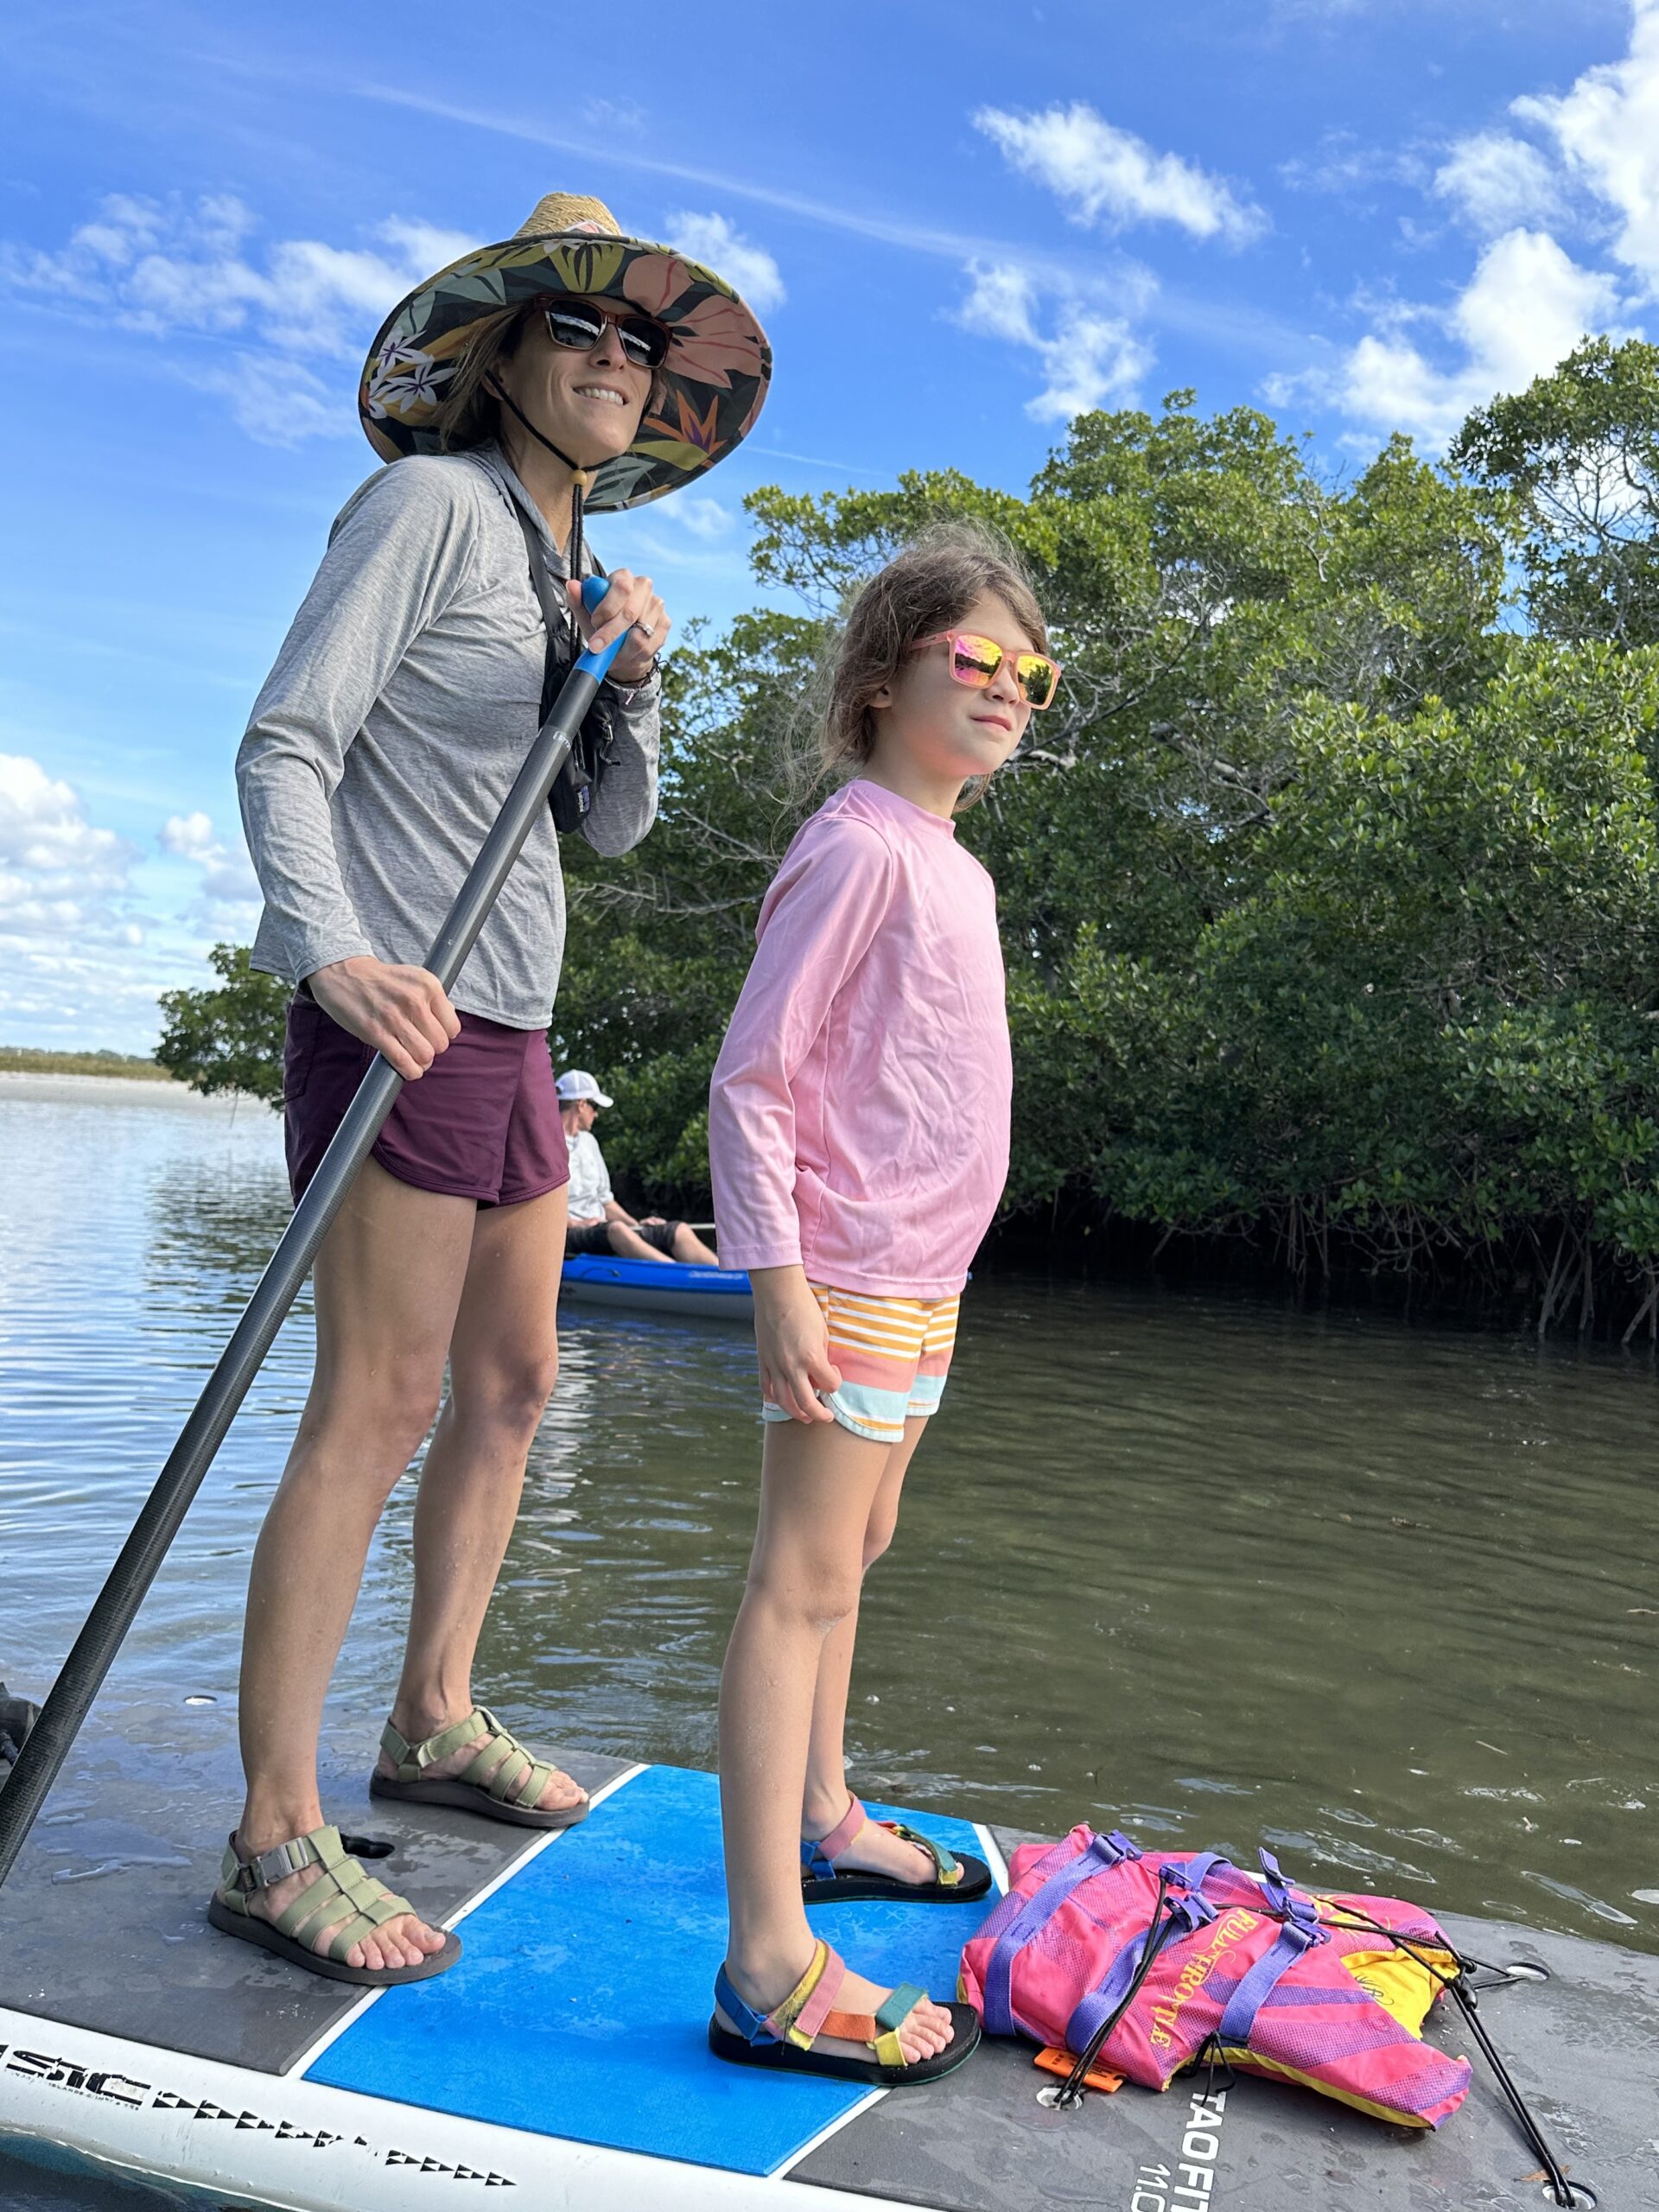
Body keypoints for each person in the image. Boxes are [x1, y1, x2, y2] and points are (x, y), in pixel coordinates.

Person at [216, 193, 771, 1987]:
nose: (617, 363)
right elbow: (287, 735)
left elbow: (606, 824)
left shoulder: (565, 576)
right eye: (583, 334)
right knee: (374, 1406)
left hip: (523, 1020)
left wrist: (639, 676)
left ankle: (434, 1714)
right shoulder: (430, 508)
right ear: (505, 358)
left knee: (516, 1381)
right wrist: (325, 943)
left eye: (641, 346)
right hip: (406, 1008)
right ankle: (273, 1830)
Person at [705, 527, 1063, 2083]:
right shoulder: (856, 842)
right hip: (842, 1264)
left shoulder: (957, 861)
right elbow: (756, 1076)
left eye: (1027, 670)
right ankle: (767, 1959)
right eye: (972, 657)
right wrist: (775, 1276)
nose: (1005, 687)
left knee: (860, 1549)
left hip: (927, 1279)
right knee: (796, 1579)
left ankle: (826, 1812)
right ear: (881, 674)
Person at [557, 1070, 719, 1264]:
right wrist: (574, 1223)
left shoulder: (590, 1142)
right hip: (568, 1234)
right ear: (581, 1105)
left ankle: (732, 1280)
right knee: (616, 1230)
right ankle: (683, 1279)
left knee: (677, 1229)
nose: (597, 1114)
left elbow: (605, 1201)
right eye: (594, 1106)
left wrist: (636, 1225)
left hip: (603, 1228)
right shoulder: (546, 1144)